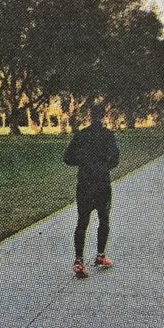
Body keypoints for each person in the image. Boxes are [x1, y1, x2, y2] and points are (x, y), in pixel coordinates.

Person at [63, 102, 120, 278]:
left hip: (85, 183)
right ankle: (100, 256)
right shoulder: (108, 135)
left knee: (82, 222)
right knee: (104, 219)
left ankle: (79, 261)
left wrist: (84, 162)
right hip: (102, 182)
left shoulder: (81, 135)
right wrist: (103, 167)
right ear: (103, 116)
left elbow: (67, 158)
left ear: (90, 116)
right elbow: (115, 159)